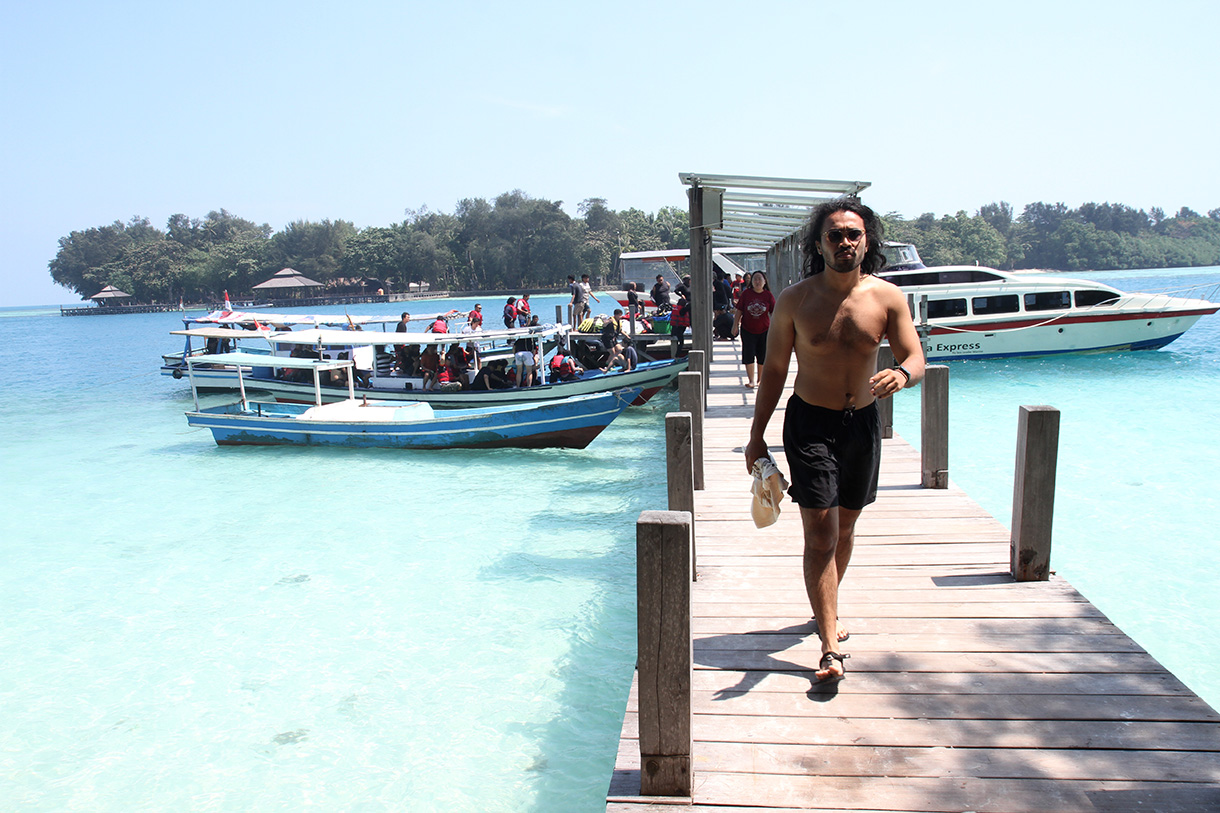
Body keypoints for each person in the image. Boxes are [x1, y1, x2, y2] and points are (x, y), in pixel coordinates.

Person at [744, 199, 925, 683]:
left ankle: (828, 609)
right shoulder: (796, 300)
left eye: (853, 234)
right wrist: (756, 437)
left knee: (845, 529)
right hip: (809, 425)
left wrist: (903, 374)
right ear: (818, 244)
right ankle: (829, 649)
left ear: (867, 241)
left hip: (861, 425)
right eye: (834, 235)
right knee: (820, 531)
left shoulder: (887, 298)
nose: (845, 242)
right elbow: (776, 371)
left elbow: (915, 355)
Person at [732, 271, 777, 389]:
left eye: (760, 279)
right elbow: (739, 311)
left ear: (764, 281)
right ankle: (751, 380)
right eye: (755, 279)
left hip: (764, 330)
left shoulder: (768, 295)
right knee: (749, 354)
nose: (757, 282)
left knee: (762, 355)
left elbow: (775, 313)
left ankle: (760, 380)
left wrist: (778, 328)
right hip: (747, 329)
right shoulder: (746, 294)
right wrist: (735, 325)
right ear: (751, 281)